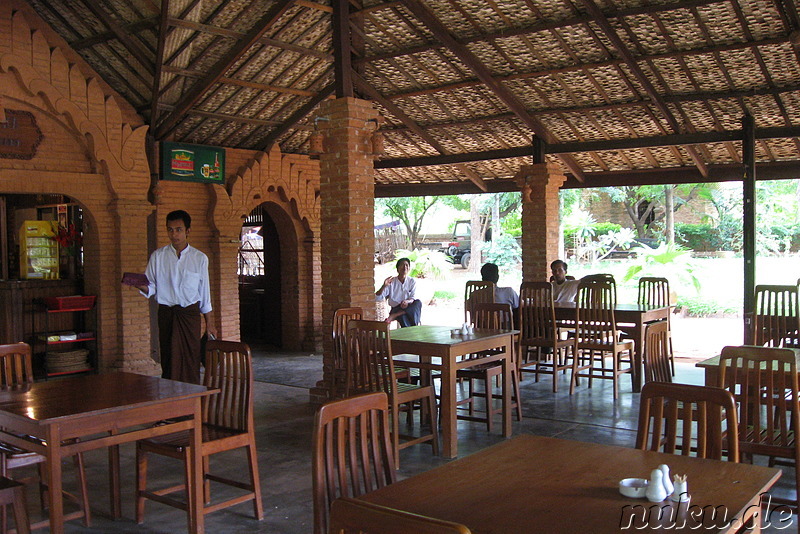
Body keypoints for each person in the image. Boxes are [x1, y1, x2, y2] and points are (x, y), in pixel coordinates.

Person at [134, 210, 216, 383]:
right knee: (170, 358)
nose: (174, 234)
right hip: (167, 315)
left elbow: (204, 293)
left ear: (188, 231)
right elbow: (151, 286)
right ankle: (171, 400)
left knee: (191, 359)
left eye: (178, 229)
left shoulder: (200, 258)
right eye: (170, 230)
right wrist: (138, 284)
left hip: (189, 316)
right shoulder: (158, 256)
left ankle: (191, 401)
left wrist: (210, 323)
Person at [375, 257, 422, 327]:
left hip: (409, 306)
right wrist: (384, 286)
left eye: (407, 265)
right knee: (404, 317)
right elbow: (377, 297)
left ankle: (395, 315)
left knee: (418, 302)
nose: (405, 267)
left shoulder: (412, 281)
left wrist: (407, 302)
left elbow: (413, 297)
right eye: (402, 265)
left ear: (409, 268)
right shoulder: (391, 282)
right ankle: (412, 331)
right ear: (397, 268)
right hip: (396, 308)